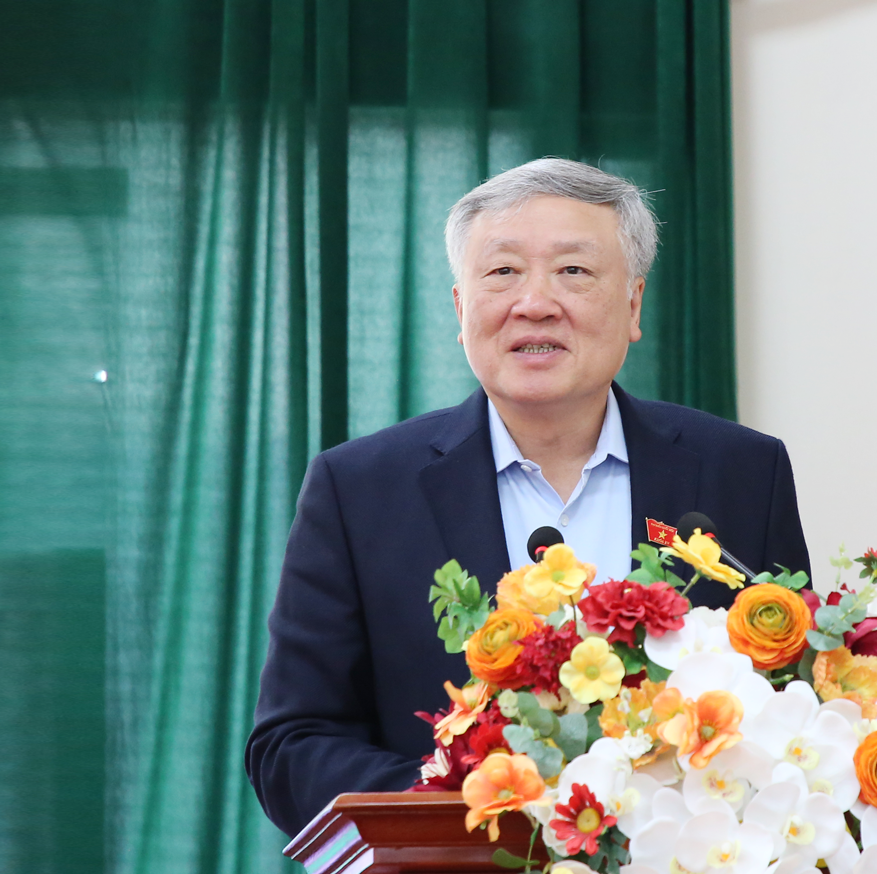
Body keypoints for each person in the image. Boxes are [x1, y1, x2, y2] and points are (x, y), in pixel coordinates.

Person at [245, 159, 811, 838]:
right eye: (503, 271)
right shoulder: (359, 490)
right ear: (462, 309)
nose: (535, 302)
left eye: (573, 270)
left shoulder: (741, 472)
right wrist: (467, 802)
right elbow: (292, 746)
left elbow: (798, 703)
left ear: (633, 305)